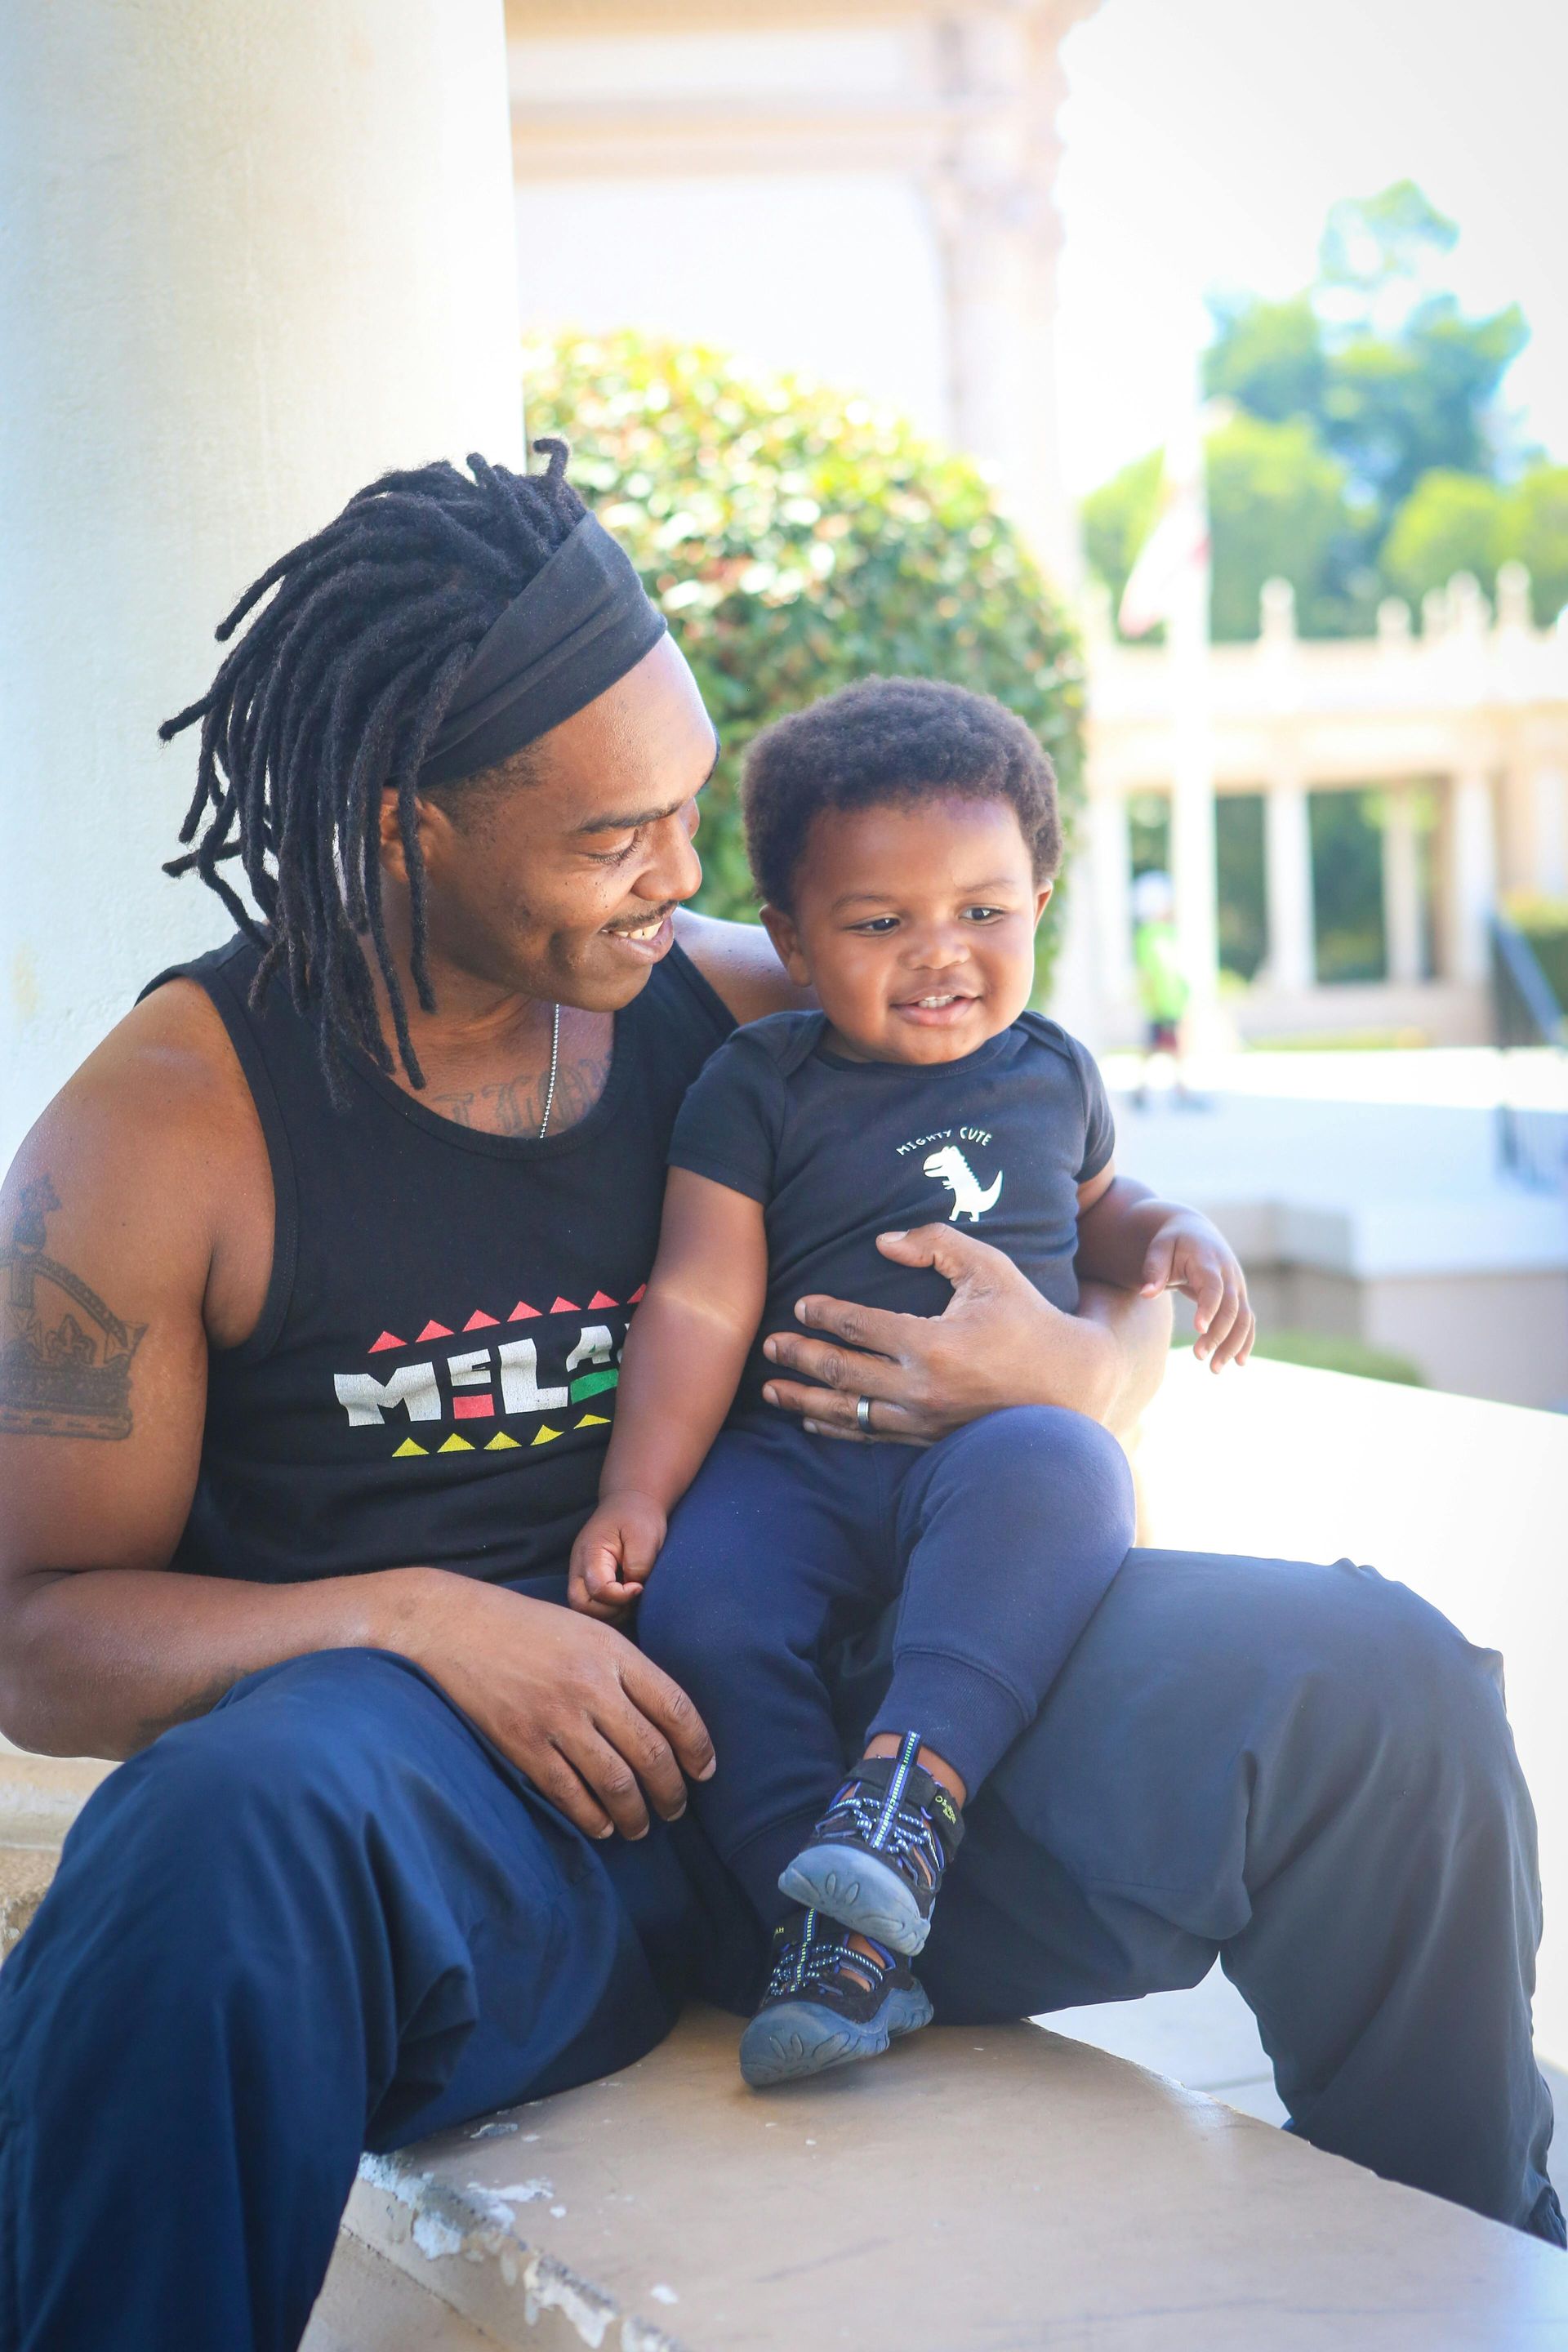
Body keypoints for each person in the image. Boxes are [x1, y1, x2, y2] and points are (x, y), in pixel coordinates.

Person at [0, 450, 1557, 2352]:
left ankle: (1495, 2270)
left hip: (857, 1767)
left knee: (1376, 1682)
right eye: (611, 839)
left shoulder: (736, 1004)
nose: (683, 874)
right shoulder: (168, 1125)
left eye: (684, 808)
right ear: (408, 822)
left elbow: (1087, 1228)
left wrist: (1085, 1366)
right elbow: (33, 1630)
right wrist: (417, 1620)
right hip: (466, 1813)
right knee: (202, 1852)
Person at [569, 678, 1251, 2087]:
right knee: (705, 1602)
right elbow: (699, 1299)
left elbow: (1103, 1209)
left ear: (1041, 900)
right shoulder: (757, 1084)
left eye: (984, 912)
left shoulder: (1055, 1072)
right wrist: (640, 1490)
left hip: (984, 1456)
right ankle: (814, 1936)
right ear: (793, 942)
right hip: (790, 1457)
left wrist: (1171, 1238)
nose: (941, 954)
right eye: (881, 922)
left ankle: (908, 1797)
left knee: (1070, 1468)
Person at [1130, 867, 1194, 1106]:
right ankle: (1174, 1090)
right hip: (1162, 1004)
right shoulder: (1150, 936)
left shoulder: (1166, 934)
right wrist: (1155, 1001)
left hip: (1172, 1002)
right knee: (1162, 1047)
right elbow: (1151, 973)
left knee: (1165, 1047)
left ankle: (1171, 1089)